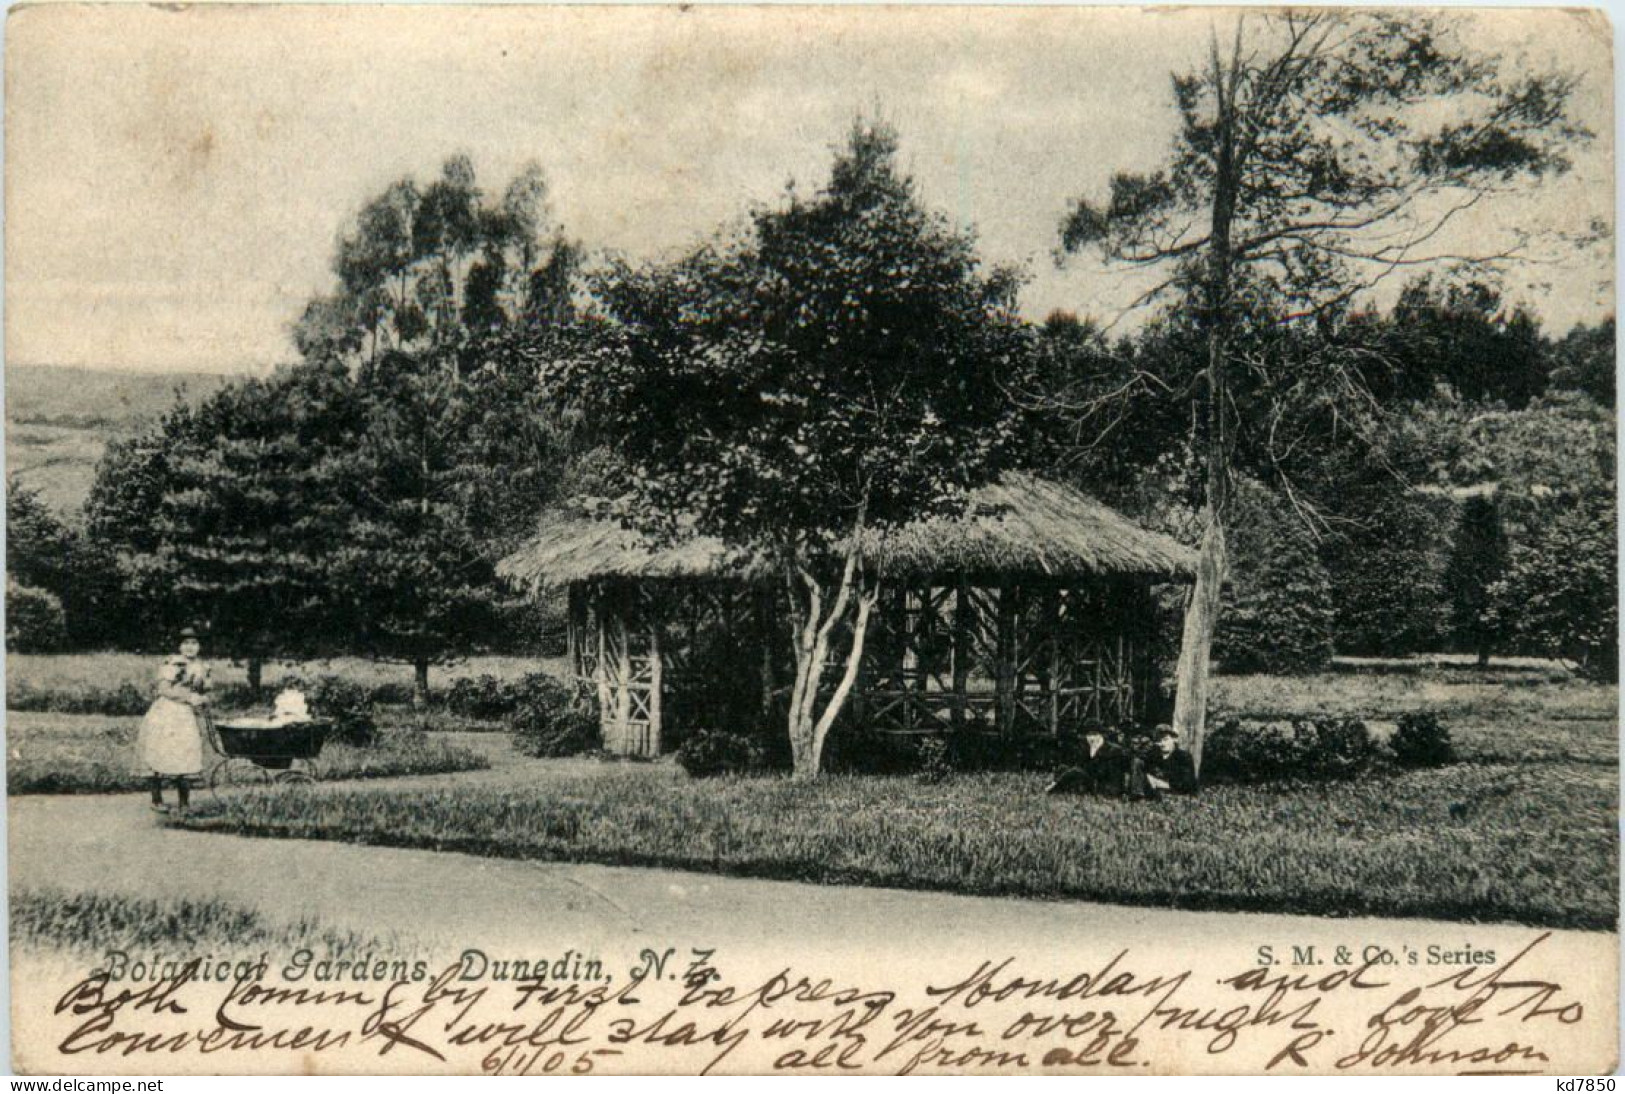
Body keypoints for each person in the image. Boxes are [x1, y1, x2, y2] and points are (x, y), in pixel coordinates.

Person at [135, 626, 211, 815]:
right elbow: (164, 689)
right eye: (185, 643)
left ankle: (184, 804)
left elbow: (203, 691)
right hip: (166, 712)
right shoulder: (173, 664)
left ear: (200, 646)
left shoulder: (202, 667)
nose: (190, 647)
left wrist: (202, 699)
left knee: (185, 753)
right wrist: (188, 698)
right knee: (160, 752)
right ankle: (156, 799)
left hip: (186, 714)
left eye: (194, 643)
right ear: (179, 646)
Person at [1046, 727, 1128, 796]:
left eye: (1095, 734)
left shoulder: (1111, 749)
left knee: (1075, 771)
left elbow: (1104, 772)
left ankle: (1054, 789)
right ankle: (1058, 786)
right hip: (1091, 780)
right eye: (1089, 735)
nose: (1091, 738)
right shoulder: (1088, 748)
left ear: (1101, 735)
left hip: (1105, 786)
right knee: (1063, 768)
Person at [1127, 725, 1199, 799]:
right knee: (1137, 762)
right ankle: (1137, 797)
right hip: (1157, 794)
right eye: (1159, 740)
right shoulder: (1154, 756)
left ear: (1174, 739)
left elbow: (1187, 784)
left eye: (1165, 739)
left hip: (1178, 794)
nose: (1162, 743)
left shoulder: (1183, 757)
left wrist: (1158, 783)